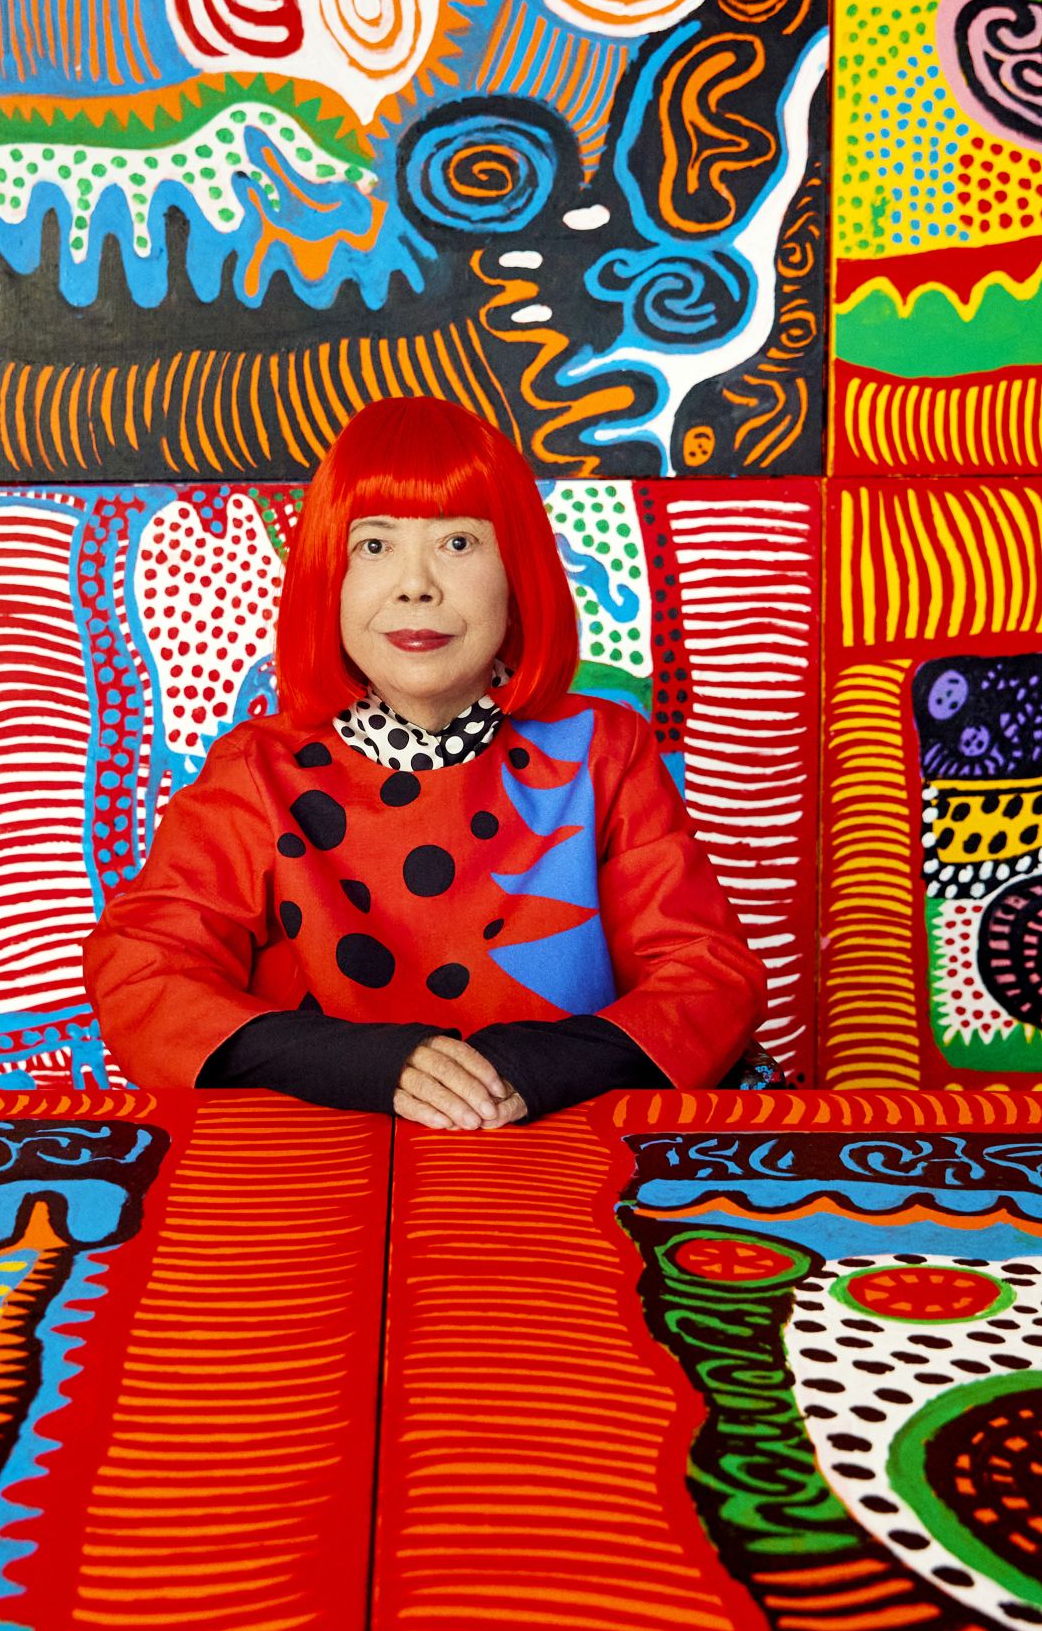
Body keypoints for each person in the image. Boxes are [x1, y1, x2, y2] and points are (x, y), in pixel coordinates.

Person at [81, 396, 766, 1127]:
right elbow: (141, 971)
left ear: (518, 574)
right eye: (374, 546)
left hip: (562, 1160)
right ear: (327, 578)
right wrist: (365, 1063)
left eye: (458, 542)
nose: (416, 584)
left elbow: (709, 974)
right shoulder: (258, 770)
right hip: (316, 1166)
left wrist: (537, 1067)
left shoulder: (604, 750)